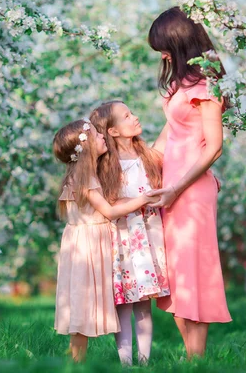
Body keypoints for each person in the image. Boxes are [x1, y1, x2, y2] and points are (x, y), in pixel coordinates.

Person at [147, 6, 232, 359]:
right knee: (176, 275)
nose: (163, 55)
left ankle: (196, 360)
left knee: (192, 274)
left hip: (189, 192)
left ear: (181, 42)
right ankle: (192, 358)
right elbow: (170, 134)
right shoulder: (183, 82)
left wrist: (175, 189)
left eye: (165, 47)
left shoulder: (209, 82)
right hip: (171, 188)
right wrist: (136, 166)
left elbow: (214, 147)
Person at [53, 118, 159, 362]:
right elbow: (109, 212)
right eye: (96, 135)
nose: (102, 137)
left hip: (86, 242)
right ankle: (75, 361)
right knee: (82, 303)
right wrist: (145, 199)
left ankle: (77, 360)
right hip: (89, 245)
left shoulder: (84, 176)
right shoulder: (85, 179)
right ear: (87, 146)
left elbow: (108, 205)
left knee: (82, 302)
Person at [90, 101, 169, 366]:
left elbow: (167, 140)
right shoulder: (105, 164)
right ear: (112, 131)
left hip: (147, 236)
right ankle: (125, 363)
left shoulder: (145, 154)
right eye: (126, 116)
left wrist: (178, 113)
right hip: (120, 238)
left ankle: (145, 362)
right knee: (123, 301)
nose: (134, 117)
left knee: (144, 302)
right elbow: (107, 203)